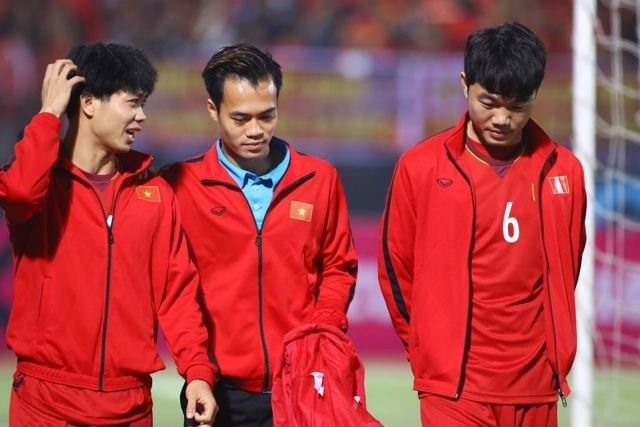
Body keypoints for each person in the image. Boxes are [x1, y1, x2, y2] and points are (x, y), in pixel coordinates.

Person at [378, 22, 586, 427]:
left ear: (536, 96)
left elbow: (566, 268)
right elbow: (395, 269)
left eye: (517, 105)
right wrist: (427, 350)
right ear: (464, 84)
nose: (503, 118)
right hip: (454, 389)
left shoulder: (566, 171)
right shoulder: (419, 167)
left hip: (536, 385)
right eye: (489, 102)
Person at [1, 42, 217, 426]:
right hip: (45, 404)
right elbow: (17, 192)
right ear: (87, 103)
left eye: (143, 104)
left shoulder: (155, 195)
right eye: (132, 103)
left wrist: (197, 372)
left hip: (129, 406)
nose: (142, 117)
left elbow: (177, 293)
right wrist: (49, 113)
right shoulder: (40, 184)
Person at [161, 43, 358, 426]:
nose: (255, 130)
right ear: (212, 110)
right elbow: (176, 290)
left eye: (267, 116)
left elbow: (338, 267)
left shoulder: (319, 179)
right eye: (240, 118)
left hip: (300, 386)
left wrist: (320, 337)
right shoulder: (180, 186)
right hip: (216, 391)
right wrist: (196, 371)